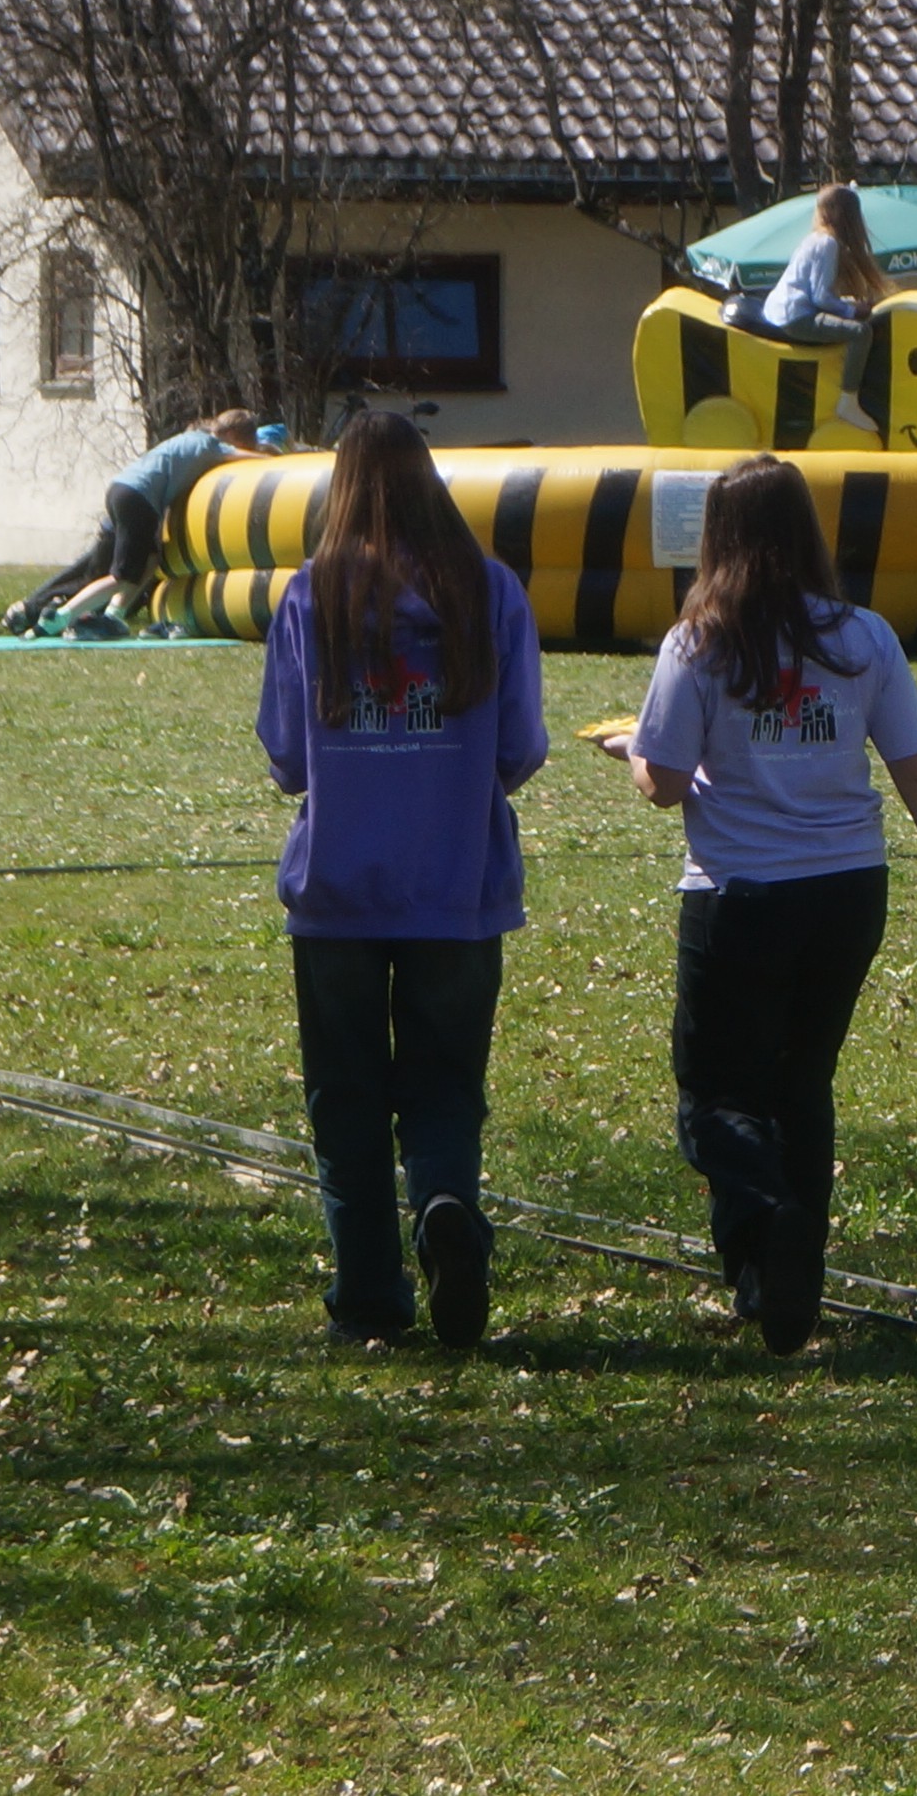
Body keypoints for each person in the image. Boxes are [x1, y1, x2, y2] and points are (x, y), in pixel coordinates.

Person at [609, 456, 917, 1355]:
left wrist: (631, 749)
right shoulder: (864, 637)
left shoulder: (698, 643)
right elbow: (915, 769)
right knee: (801, 1084)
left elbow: (665, 784)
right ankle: (783, 1287)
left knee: (714, 1094)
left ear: (718, 537)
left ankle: (769, 1218)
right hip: (847, 890)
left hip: (740, 894)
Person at [256, 410, 547, 1345]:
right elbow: (520, 746)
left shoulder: (311, 596)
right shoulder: (489, 590)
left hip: (337, 889)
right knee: (445, 1082)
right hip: (456, 884)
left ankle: (370, 1297)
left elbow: (286, 758)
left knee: (344, 1099)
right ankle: (445, 1203)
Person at [7, 408, 271, 636]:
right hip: (138, 498)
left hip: (121, 489)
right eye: (246, 442)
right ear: (232, 434)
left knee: (151, 559)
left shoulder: (189, 438)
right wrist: (273, 455)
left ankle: (114, 615)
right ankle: (60, 616)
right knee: (121, 576)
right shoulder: (211, 445)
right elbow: (251, 458)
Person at [738, 184, 890, 423]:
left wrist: (846, 305)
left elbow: (815, 293)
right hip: (796, 316)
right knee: (861, 333)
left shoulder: (813, 239)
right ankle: (848, 400)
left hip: (781, 308)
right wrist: (852, 311)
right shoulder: (828, 244)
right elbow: (820, 297)